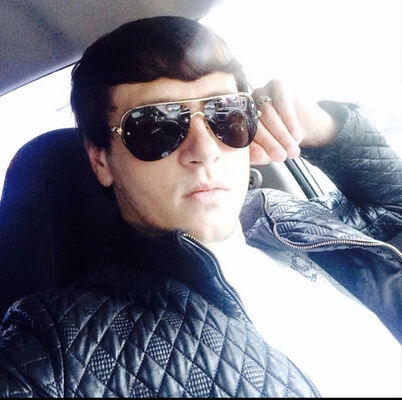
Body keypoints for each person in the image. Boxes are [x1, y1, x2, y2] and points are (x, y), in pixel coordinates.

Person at [0, 16, 401, 398]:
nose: (205, 150)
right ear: (100, 160)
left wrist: (326, 130)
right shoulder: (62, 342)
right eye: (155, 126)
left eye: (225, 114)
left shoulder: (290, 220)